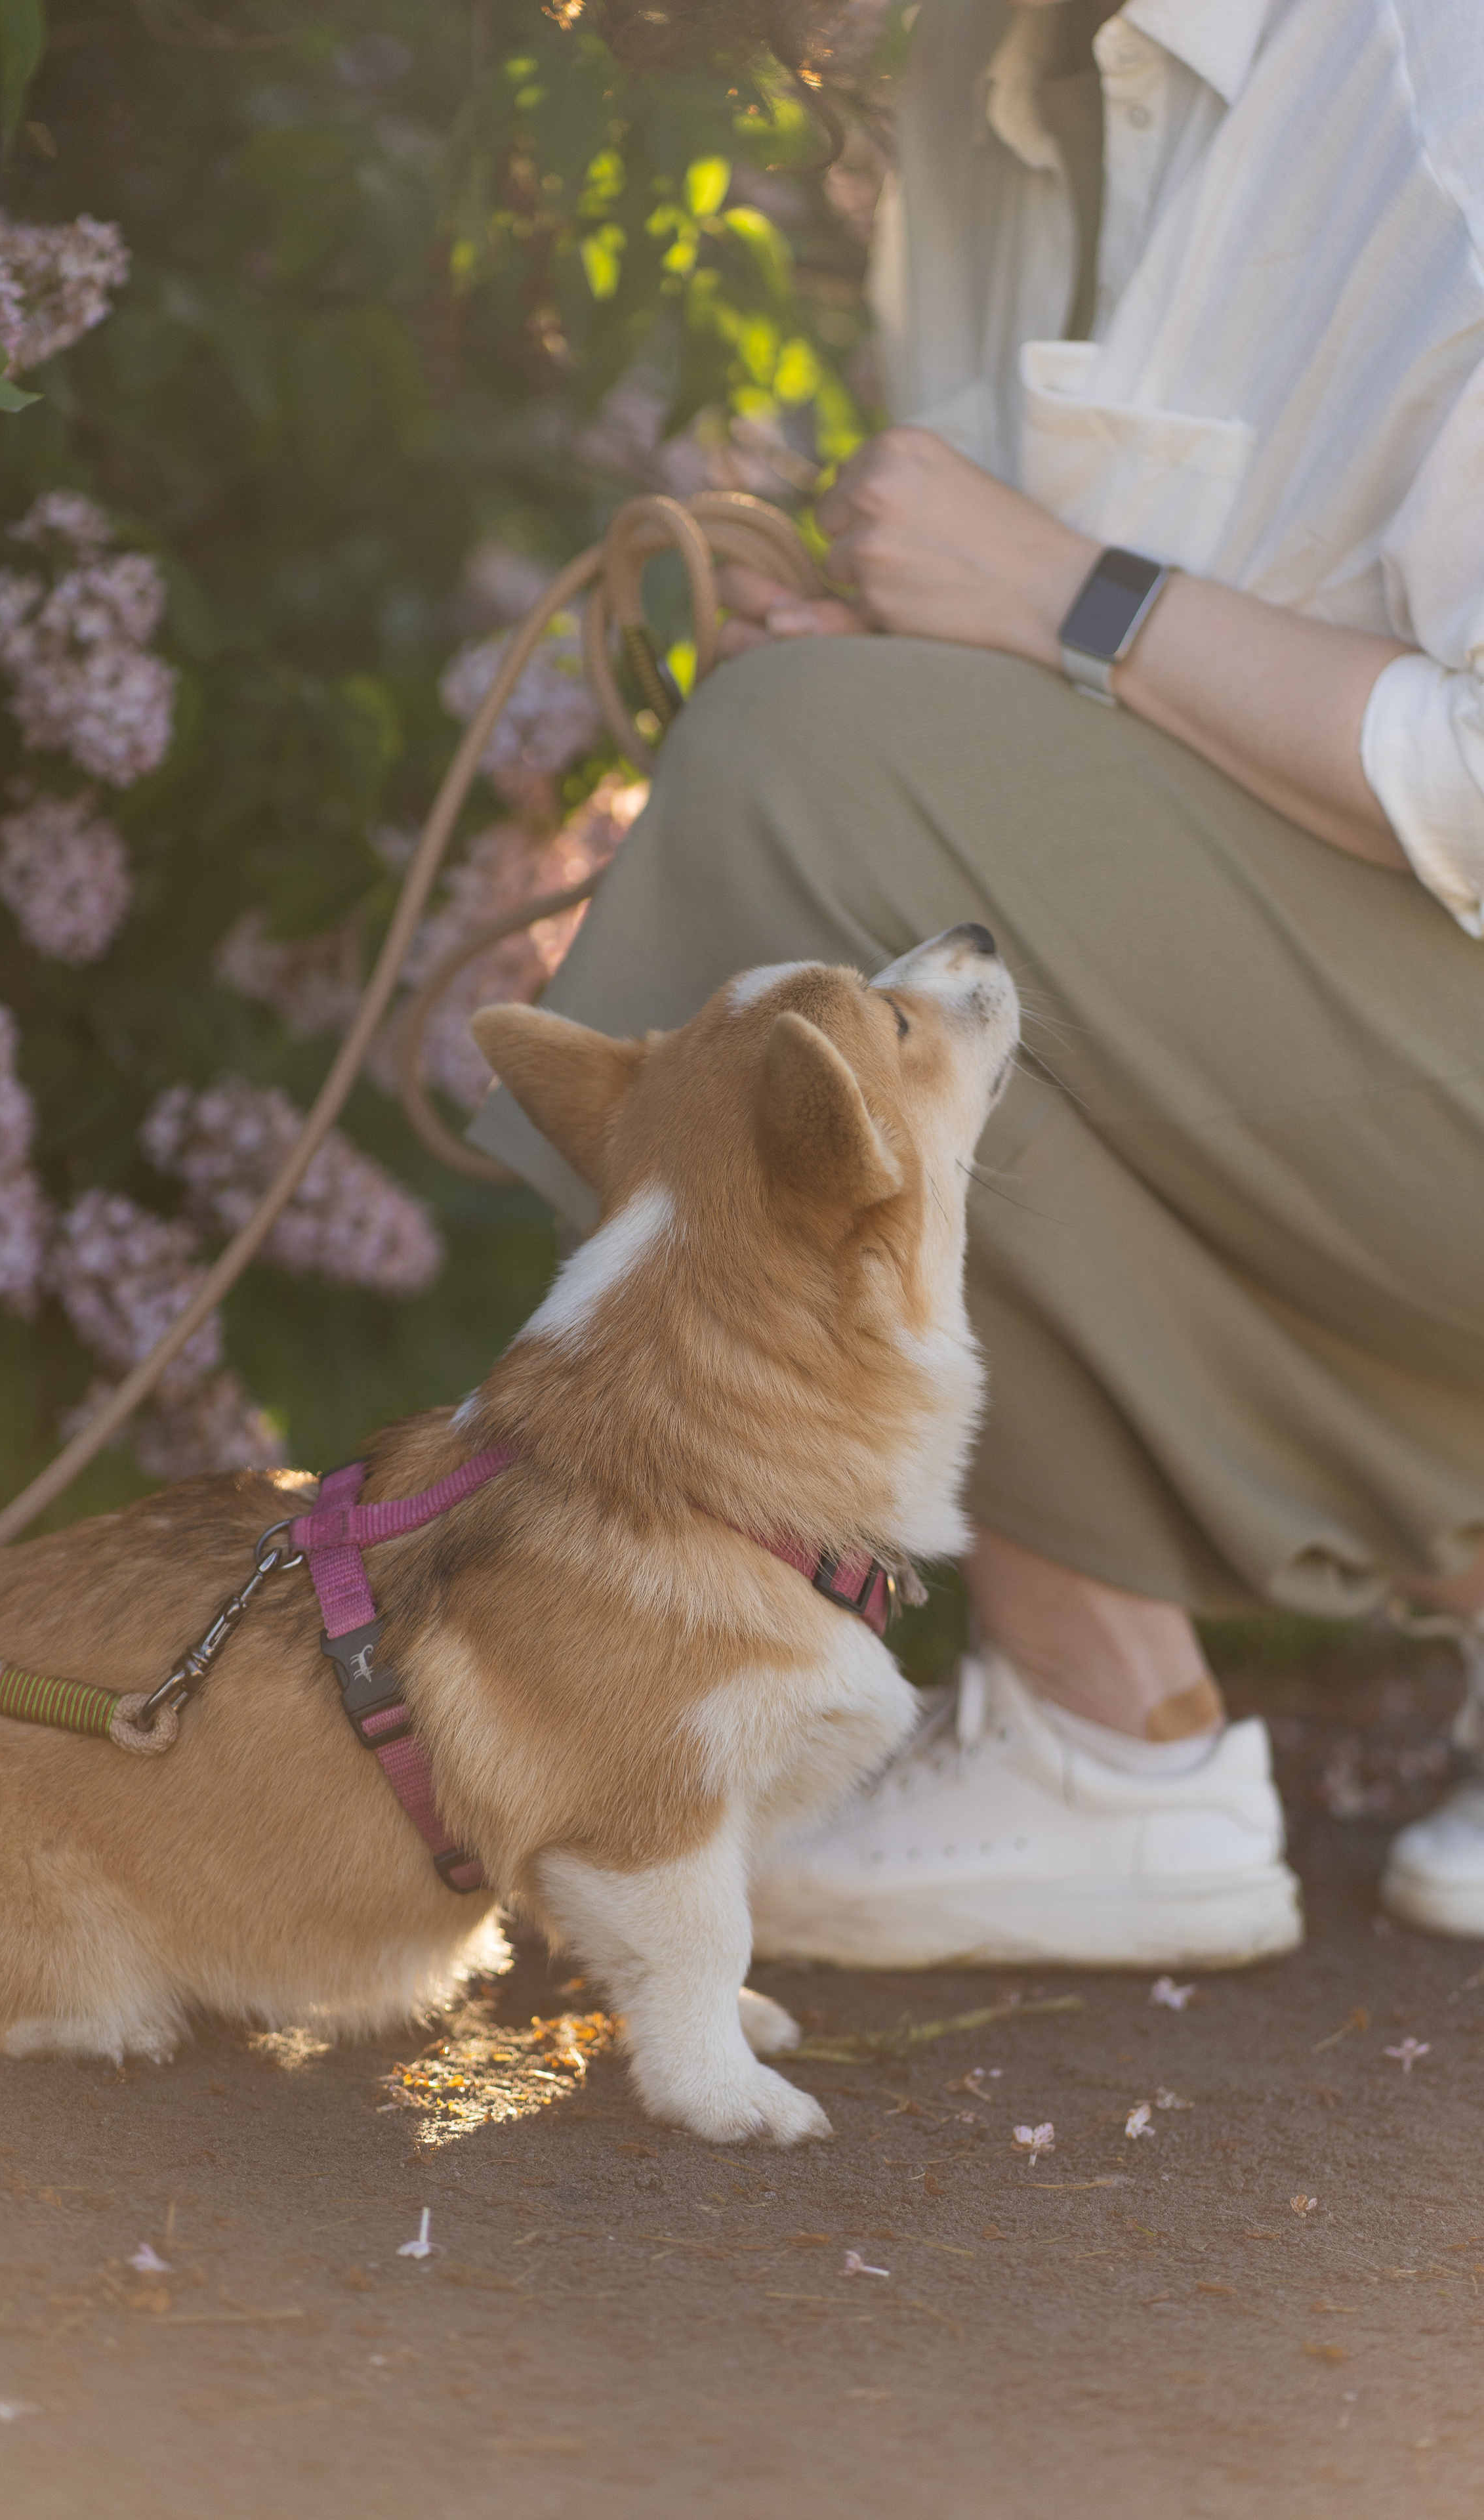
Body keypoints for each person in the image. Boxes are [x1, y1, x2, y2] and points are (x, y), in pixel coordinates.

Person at [470, 0, 1484, 1965]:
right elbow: (1084, 719)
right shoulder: (967, 81)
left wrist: (1063, 597)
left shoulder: (1441, 78)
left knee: (805, 774)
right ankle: (1113, 1727)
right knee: (825, 773)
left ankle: (1107, 1749)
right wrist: (904, 663)